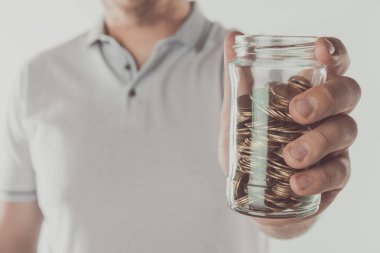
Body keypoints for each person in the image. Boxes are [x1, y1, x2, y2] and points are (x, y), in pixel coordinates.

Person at [0, 0, 361, 252]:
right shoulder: (36, 79)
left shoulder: (250, 79)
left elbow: (278, 219)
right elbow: (16, 237)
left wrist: (285, 206)